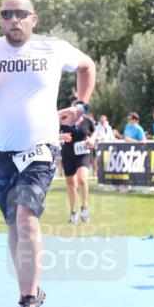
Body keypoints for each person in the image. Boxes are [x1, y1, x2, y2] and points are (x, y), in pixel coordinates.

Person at [0, 0, 95, 307]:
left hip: (39, 150)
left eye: (20, 14)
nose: (13, 20)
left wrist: (81, 106)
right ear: (1, 20)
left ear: (34, 18)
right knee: (15, 227)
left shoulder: (53, 48)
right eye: (6, 14)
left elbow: (87, 66)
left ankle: (28, 301)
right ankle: (29, 293)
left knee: (26, 218)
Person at [59, 96, 95, 224]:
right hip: (68, 153)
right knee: (71, 183)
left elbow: (94, 132)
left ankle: (84, 207)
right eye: (75, 106)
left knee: (82, 179)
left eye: (80, 107)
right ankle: (73, 211)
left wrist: (92, 139)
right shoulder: (62, 120)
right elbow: (50, 133)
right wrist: (61, 136)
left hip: (83, 153)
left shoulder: (87, 120)